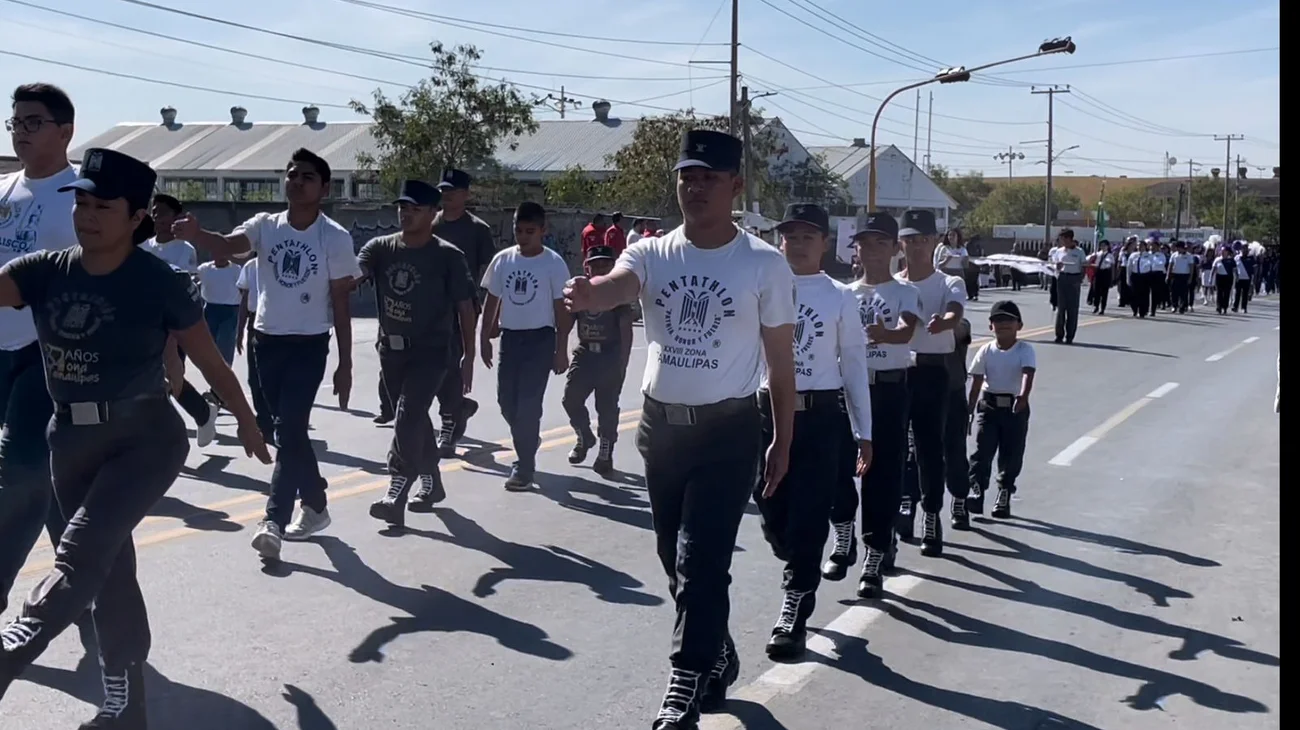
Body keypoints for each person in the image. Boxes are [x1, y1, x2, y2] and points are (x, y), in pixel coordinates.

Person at [0, 147, 270, 725]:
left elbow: (210, 363)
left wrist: (246, 418)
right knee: (110, 567)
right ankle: (129, 706)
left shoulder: (159, 282)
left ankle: (16, 644)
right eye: (82, 203)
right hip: (69, 441)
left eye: (104, 206)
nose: (87, 215)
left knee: (78, 554)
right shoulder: (42, 270)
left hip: (144, 440)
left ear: (136, 216)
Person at [563, 129, 796, 729]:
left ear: (735, 186)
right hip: (662, 432)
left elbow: (780, 362)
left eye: (709, 178)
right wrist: (591, 294)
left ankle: (683, 683)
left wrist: (783, 438)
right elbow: (621, 284)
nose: (695, 188)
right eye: (687, 177)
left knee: (702, 559)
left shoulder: (764, 265)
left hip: (729, 432)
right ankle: (714, 648)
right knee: (673, 555)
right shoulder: (652, 251)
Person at [172, 147, 359, 560]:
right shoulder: (266, 226)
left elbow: (342, 304)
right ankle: (316, 502)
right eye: (291, 174)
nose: (296, 181)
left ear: (324, 188)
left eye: (307, 176)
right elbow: (228, 245)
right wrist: (198, 235)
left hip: (309, 345)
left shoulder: (335, 237)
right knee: (279, 433)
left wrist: (345, 364)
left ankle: (273, 519)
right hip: (265, 344)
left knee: (292, 429)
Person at [754, 203, 871, 660]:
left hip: (819, 417)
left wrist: (864, 431)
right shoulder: (763, 286)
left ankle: (794, 609)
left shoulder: (839, 295)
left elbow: (855, 365)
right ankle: (799, 558)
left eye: (807, 236)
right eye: (790, 235)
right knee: (771, 513)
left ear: (825, 243)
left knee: (805, 520)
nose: (797, 243)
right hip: (765, 413)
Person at [0, 82, 78, 623]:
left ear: (64, 130)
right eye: (14, 123)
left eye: (32, 123)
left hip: (47, 354)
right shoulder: (4, 190)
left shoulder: (85, 195)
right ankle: (82, 568)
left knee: (20, 469)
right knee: (50, 479)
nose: (21, 133)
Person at [359, 180, 477, 526]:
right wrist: (349, 280)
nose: (405, 214)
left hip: (432, 352)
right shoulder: (381, 247)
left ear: (432, 212)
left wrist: (469, 356)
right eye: (402, 207)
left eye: (414, 209)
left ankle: (396, 488)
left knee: (408, 415)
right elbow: (359, 269)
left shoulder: (447, 256)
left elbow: (466, 307)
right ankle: (433, 482)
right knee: (415, 421)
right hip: (391, 353)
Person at [823, 212, 919, 599]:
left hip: (888, 392)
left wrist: (886, 334)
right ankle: (843, 533)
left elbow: (907, 330)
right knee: (835, 466)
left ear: (896, 249)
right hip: (846, 391)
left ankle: (875, 555)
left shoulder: (904, 292)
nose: (873, 250)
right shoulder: (843, 294)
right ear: (855, 249)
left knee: (882, 475)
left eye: (882, 243)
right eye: (865, 243)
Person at [480, 201, 571, 490]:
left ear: (543, 230)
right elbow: (491, 300)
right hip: (511, 340)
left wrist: (561, 349)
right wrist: (484, 338)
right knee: (507, 402)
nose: (523, 237)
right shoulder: (504, 260)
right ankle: (528, 438)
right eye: (519, 231)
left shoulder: (553, 264)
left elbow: (562, 310)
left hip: (540, 340)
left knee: (528, 406)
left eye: (530, 231)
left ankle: (524, 466)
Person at [896, 209, 967, 557]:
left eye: (922, 239)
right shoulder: (893, 284)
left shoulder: (948, 282)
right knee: (895, 449)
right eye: (909, 240)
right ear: (901, 243)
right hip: (896, 373)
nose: (916, 246)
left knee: (928, 449)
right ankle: (904, 504)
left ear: (934, 242)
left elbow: (955, 310)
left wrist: (946, 321)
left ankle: (932, 515)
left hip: (933, 373)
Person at [141, 195, 219, 444]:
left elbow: (184, 295)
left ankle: (162, 433)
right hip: (144, 325)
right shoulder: (145, 246)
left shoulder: (184, 250)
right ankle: (203, 412)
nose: (157, 217)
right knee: (158, 379)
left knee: (168, 377)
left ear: (177, 216)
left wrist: (174, 336)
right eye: (154, 211)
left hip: (172, 327)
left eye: (163, 212)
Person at [430, 168, 494, 457]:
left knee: (449, 362)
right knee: (430, 367)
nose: (446, 195)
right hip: (430, 307)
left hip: (463, 307)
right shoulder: (431, 225)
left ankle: (449, 425)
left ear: (466, 194)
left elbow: (489, 275)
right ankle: (460, 407)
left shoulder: (478, 230)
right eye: (443, 190)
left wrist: (490, 317)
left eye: (452, 191)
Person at [562, 245, 633, 475]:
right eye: (596, 265)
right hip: (585, 354)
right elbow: (566, 323)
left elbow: (626, 331)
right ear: (587, 268)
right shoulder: (581, 290)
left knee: (607, 407)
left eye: (606, 264)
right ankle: (584, 436)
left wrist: (622, 365)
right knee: (570, 399)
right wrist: (559, 350)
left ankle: (606, 451)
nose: (601, 268)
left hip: (609, 355)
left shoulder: (617, 297)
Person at [966, 300, 1036, 519]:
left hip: (1015, 407)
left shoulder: (1025, 349)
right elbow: (977, 381)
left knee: (1011, 453)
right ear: (990, 326)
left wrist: (1023, 397)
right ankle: (977, 490)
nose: (1003, 325)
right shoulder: (986, 351)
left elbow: (1027, 373)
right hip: (989, 407)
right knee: (982, 451)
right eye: (998, 320)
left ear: (1019, 325)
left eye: (1009, 321)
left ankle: (1004, 493)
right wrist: (969, 410)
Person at [235, 253, 273, 438]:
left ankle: (276, 417)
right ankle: (264, 420)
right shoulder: (250, 266)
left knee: (273, 375)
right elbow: (245, 299)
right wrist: (240, 330)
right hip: (254, 322)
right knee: (254, 378)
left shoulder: (279, 262)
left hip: (276, 323)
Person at [197, 254, 242, 364]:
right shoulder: (204, 269)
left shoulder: (236, 270)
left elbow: (242, 290)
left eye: (224, 251)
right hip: (210, 310)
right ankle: (214, 372)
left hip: (230, 311)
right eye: (218, 251)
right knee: (210, 345)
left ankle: (226, 370)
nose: (221, 255)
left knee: (225, 343)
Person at [1052, 229, 1086, 344]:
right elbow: (1054, 266)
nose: (1062, 241)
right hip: (1062, 278)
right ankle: (1059, 334)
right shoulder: (1059, 251)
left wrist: (1080, 279)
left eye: (1063, 239)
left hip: (1074, 279)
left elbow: (1083, 267)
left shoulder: (1079, 251)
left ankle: (1070, 335)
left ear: (1069, 239)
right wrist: (1057, 267)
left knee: (1072, 309)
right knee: (1061, 308)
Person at [1086, 240, 1116, 315]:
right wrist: (1091, 259)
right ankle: (1096, 306)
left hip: (1106, 273)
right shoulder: (1097, 254)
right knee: (1096, 291)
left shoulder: (1110, 255)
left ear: (1107, 246)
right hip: (1098, 272)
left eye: (1104, 245)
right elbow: (1089, 262)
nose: (1103, 247)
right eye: (1101, 245)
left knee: (1104, 292)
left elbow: (1112, 267)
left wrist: (1112, 278)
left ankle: (1103, 308)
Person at [1167, 241, 1195, 314]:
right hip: (1175, 275)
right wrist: (1168, 275)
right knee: (1174, 292)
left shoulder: (1189, 256)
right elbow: (1170, 265)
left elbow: (1191, 267)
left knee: (1184, 293)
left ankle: (1182, 307)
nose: (1179, 249)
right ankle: (1174, 306)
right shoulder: (1174, 255)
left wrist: (1190, 278)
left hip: (1184, 275)